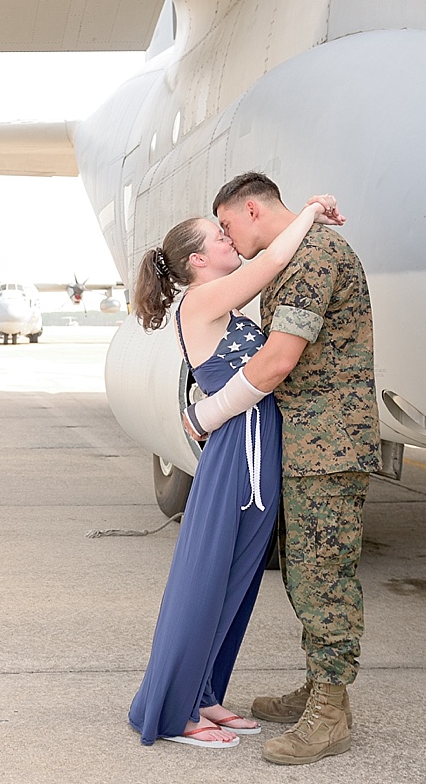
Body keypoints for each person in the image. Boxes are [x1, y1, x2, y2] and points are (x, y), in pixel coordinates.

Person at [127, 194, 342, 749]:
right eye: (218, 236)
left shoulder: (222, 306)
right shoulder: (201, 302)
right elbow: (271, 263)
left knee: (238, 580)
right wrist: (310, 214)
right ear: (199, 260)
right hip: (234, 454)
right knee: (204, 579)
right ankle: (174, 712)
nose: (229, 240)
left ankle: (204, 693)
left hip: (257, 447)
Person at [211, 171, 379, 766]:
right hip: (311, 442)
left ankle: (330, 712)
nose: (228, 242)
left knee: (322, 575)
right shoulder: (296, 253)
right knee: (309, 574)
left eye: (228, 226)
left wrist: (209, 413)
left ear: (252, 210)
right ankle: (319, 686)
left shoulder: (313, 258)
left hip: (328, 446)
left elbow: (279, 359)